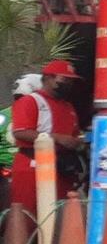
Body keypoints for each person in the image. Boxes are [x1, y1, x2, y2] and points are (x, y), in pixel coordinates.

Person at [9, 61, 83, 209]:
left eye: (71, 80)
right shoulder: (30, 101)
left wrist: (78, 142)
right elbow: (21, 132)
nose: (69, 83)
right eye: (64, 79)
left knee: (59, 214)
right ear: (48, 78)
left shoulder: (68, 106)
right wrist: (59, 138)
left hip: (62, 167)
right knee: (27, 213)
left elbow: (74, 133)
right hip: (33, 165)